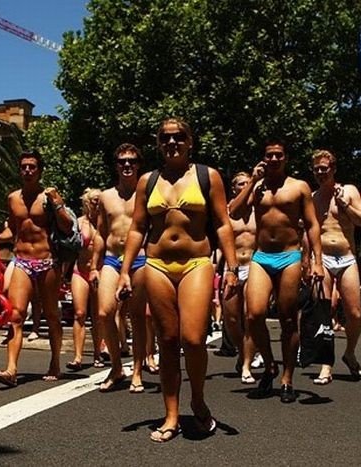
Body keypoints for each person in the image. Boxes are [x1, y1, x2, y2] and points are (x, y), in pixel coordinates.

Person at [117, 118, 239, 442]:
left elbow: (223, 224)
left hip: (196, 263)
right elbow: (138, 229)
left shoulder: (207, 176)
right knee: (167, 341)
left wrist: (231, 267)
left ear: (190, 142)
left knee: (194, 338)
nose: (172, 142)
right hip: (157, 265)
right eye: (166, 138)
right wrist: (125, 272)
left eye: (179, 137)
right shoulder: (148, 181)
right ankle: (171, 415)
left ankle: (197, 398)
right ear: (159, 143)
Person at [229, 140, 324, 403]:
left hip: (290, 255)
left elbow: (313, 225)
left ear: (286, 158)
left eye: (278, 155)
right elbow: (234, 212)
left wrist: (317, 260)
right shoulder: (257, 186)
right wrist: (250, 182)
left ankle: (287, 378)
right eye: (269, 155)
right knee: (255, 314)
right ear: (263, 158)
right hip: (261, 256)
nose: (273, 159)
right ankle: (269, 365)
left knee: (288, 318)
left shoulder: (299, 187)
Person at [0, 150, 73, 387]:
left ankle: (55, 361)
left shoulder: (48, 197)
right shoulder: (12, 198)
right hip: (22, 261)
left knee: (51, 316)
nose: (27, 171)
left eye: (32, 167)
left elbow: (67, 228)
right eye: (24, 167)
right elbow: (13, 230)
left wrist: (58, 205)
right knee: (15, 315)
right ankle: (11, 369)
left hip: (48, 261)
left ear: (40, 171)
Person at [91, 143, 149, 393]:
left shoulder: (146, 193)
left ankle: (137, 370)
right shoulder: (105, 196)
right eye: (122, 161)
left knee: (137, 317)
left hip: (141, 259)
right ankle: (116, 367)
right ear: (115, 165)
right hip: (113, 259)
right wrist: (94, 265)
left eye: (132, 161)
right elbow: (101, 233)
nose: (127, 165)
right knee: (105, 313)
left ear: (138, 165)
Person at [310, 149, 361, 383]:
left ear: (333, 169)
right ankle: (326, 364)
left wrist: (345, 205)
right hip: (323, 257)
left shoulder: (349, 191)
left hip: (346, 257)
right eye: (316, 170)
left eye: (324, 169)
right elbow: (309, 231)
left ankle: (350, 352)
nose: (320, 173)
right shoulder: (313, 198)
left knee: (354, 314)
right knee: (323, 314)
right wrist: (309, 261)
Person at [221, 172, 260, 384]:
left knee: (250, 316)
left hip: (255, 266)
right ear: (234, 188)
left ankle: (246, 363)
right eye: (240, 184)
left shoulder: (260, 209)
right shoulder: (228, 211)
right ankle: (242, 351)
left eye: (248, 183)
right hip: (233, 267)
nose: (246, 186)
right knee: (232, 319)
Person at [67, 188, 104, 370]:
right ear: (86, 202)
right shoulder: (79, 223)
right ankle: (78, 356)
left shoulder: (106, 223)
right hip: (80, 271)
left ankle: (98, 354)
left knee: (98, 316)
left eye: (99, 200)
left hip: (100, 272)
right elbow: (69, 247)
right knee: (79, 313)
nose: (96, 203)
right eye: (93, 200)